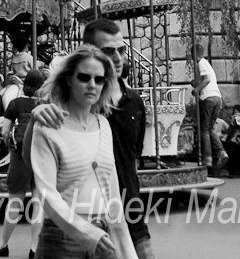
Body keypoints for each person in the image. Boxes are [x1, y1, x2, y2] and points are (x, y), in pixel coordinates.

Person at [31, 18, 154, 259]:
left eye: (99, 80)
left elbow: (125, 171)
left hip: (121, 219)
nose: (117, 57)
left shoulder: (119, 112)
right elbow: (43, 185)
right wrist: (36, 115)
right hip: (66, 234)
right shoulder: (52, 118)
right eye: (109, 51)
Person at [0, 68, 45, 259]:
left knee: (14, 202)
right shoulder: (46, 104)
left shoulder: (15, 104)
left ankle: (3, 245)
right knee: (38, 203)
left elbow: (4, 133)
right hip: (41, 157)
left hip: (20, 158)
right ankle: (34, 248)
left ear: (25, 84)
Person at [190, 43, 228, 172]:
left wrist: (197, 89)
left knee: (204, 129)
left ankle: (208, 158)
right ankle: (221, 152)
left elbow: (207, 79)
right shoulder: (207, 64)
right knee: (210, 128)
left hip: (208, 98)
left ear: (194, 54)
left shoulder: (200, 63)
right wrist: (196, 84)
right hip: (217, 97)